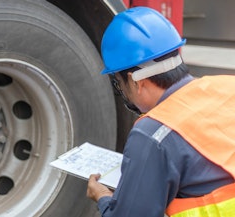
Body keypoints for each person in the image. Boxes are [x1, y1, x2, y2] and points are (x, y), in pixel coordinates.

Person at [86, 6, 235, 217]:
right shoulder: (228, 86)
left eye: (118, 83)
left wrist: (103, 198)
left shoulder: (153, 132)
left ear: (135, 81)